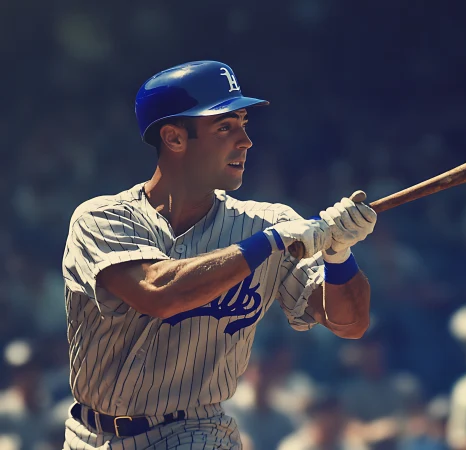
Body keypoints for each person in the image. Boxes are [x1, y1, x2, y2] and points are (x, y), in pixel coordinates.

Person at [60, 61, 377, 449]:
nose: (245, 141)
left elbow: (350, 324)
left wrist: (339, 255)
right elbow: (158, 293)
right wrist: (266, 243)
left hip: (196, 431)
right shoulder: (102, 218)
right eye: (225, 127)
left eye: (244, 123)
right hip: (90, 436)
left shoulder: (271, 223)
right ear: (174, 138)